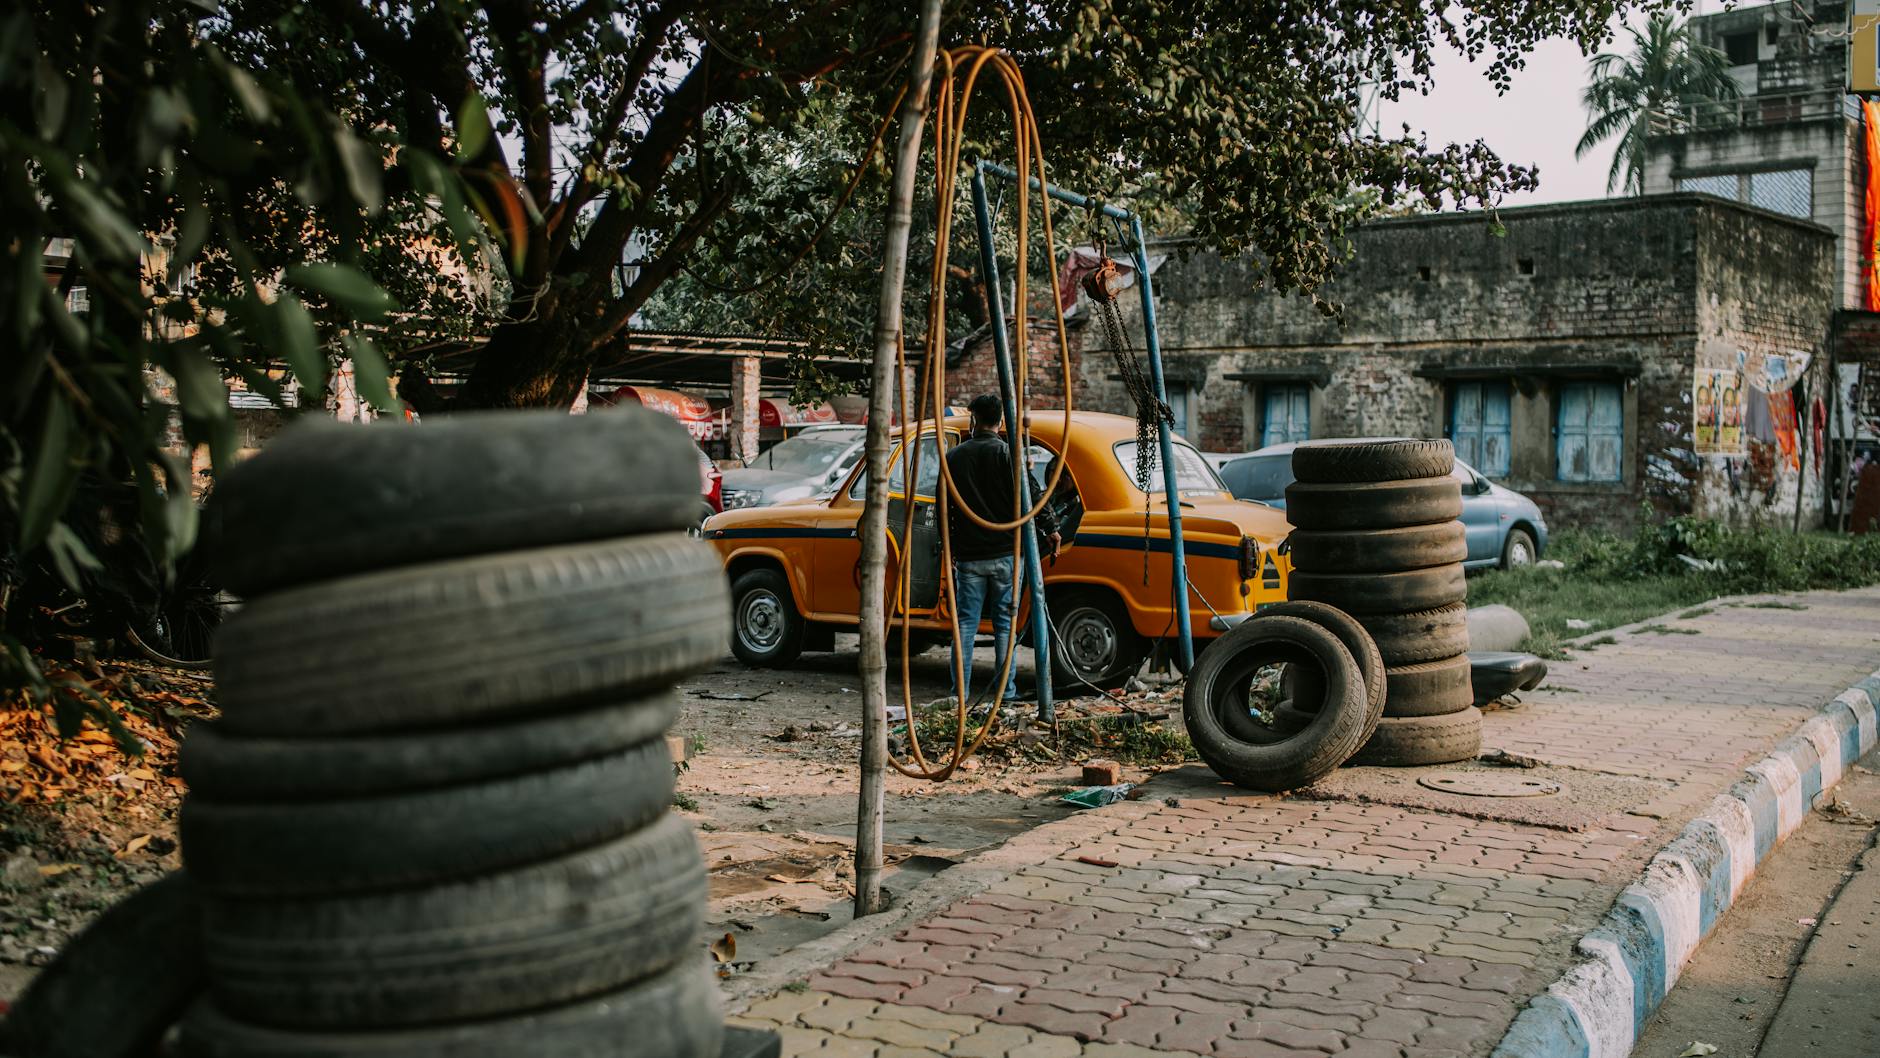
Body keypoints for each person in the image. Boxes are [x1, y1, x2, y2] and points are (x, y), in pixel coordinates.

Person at [944, 394, 1059, 702]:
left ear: (974, 419)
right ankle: (1005, 694)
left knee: (965, 625)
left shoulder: (954, 458)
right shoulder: (1009, 456)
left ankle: (961, 695)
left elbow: (945, 508)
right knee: (1004, 625)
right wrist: (1051, 529)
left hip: (969, 556)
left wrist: (949, 546)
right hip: (1008, 554)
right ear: (999, 422)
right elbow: (1034, 495)